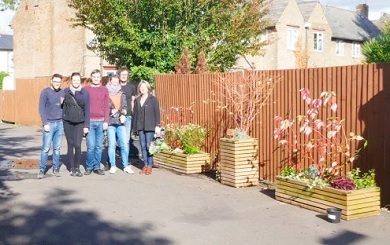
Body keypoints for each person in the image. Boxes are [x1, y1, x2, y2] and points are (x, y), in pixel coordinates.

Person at [62, 72, 90, 177]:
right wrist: (63, 117)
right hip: (68, 122)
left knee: (78, 145)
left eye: (78, 80)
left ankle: (77, 168)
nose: (76, 82)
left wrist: (86, 125)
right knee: (70, 145)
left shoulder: (85, 93)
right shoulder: (65, 92)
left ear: (80, 81)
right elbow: (61, 105)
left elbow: (87, 110)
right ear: (71, 80)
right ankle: (72, 168)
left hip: (80, 122)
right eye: (74, 80)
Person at [37, 73, 65, 179]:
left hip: (60, 123)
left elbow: (64, 106)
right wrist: (45, 123)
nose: (57, 84)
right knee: (45, 148)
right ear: (51, 81)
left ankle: (56, 169)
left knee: (57, 148)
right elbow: (41, 108)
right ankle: (41, 169)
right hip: (49, 124)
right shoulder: (45, 92)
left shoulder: (62, 92)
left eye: (59, 82)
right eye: (55, 81)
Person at [106, 74, 134, 174]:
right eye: (113, 81)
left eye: (117, 82)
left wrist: (124, 113)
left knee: (124, 144)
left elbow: (125, 106)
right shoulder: (106, 93)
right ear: (110, 82)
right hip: (110, 122)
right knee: (112, 145)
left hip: (120, 122)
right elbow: (103, 107)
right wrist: (110, 111)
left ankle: (126, 165)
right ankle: (113, 165)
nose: (115, 83)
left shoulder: (121, 93)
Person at [84, 69, 110, 175]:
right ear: (91, 78)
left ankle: (97, 166)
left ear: (100, 78)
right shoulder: (86, 89)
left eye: (98, 77)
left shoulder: (104, 90)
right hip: (89, 121)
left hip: (101, 122)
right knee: (90, 146)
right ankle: (89, 166)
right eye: (94, 77)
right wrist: (84, 124)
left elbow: (107, 106)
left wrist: (106, 121)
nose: (96, 79)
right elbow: (83, 106)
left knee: (99, 146)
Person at [132, 80, 160, 175]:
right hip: (140, 126)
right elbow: (135, 114)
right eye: (141, 87)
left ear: (148, 88)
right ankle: (145, 164)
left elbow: (157, 113)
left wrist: (157, 125)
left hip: (150, 126)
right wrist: (134, 127)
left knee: (149, 146)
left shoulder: (153, 99)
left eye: (144, 87)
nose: (142, 88)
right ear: (139, 89)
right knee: (143, 146)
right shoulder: (137, 99)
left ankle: (150, 165)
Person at [118, 66, 137, 152]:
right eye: (122, 74)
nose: (124, 76)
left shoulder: (131, 87)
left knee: (126, 140)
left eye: (125, 74)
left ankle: (125, 160)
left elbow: (132, 101)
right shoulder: (116, 86)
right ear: (119, 75)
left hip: (128, 116)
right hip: (116, 116)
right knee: (114, 140)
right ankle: (111, 161)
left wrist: (133, 113)